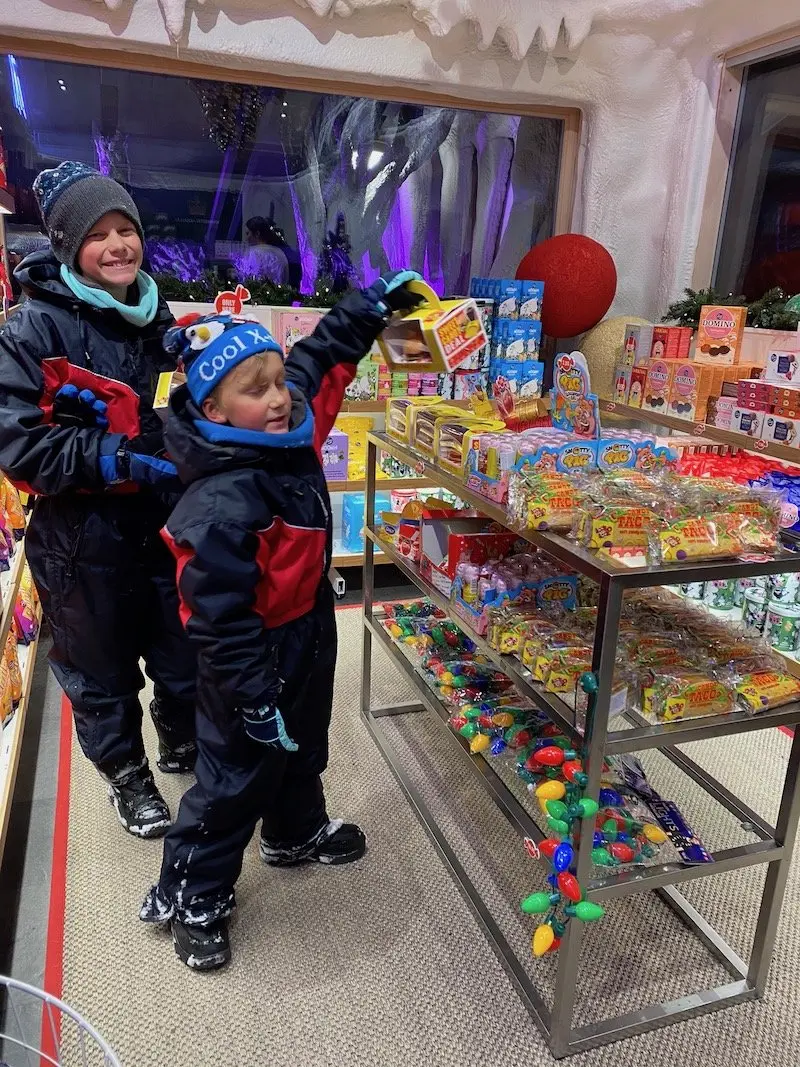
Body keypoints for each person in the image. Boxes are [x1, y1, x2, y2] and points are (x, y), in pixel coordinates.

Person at [140, 269, 423, 970]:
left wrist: (371, 307)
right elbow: (217, 618)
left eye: (276, 381)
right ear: (213, 404)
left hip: (307, 628)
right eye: (255, 388)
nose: (278, 396)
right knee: (235, 774)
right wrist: (252, 691)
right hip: (247, 652)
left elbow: (317, 357)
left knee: (302, 746)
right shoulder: (218, 503)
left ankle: (293, 831)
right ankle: (195, 888)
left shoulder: (290, 428)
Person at [0, 161, 197, 838]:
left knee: (183, 648)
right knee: (100, 671)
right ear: (66, 246)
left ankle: (179, 734)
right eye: (98, 234)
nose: (118, 245)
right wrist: (116, 458)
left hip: (166, 523)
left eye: (126, 229)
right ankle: (127, 776)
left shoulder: (155, 312)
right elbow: (19, 444)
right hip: (83, 540)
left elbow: (174, 409)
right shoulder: (31, 331)